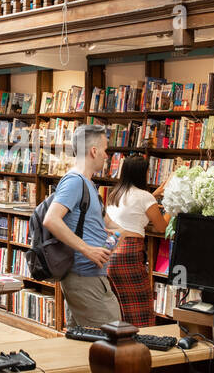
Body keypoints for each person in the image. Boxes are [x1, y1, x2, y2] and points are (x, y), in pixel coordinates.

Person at [43, 124, 122, 328]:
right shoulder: (75, 182)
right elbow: (51, 219)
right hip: (84, 274)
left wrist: (115, 232)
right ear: (93, 151)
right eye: (105, 149)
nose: (107, 156)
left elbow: (102, 223)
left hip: (89, 274)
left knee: (83, 340)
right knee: (112, 335)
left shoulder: (87, 183)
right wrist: (87, 249)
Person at [104, 156, 171, 328]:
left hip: (110, 249)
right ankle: (141, 341)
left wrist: (154, 195)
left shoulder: (114, 194)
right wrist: (172, 205)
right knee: (141, 302)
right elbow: (161, 227)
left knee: (120, 303)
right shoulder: (144, 197)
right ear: (143, 174)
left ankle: (119, 340)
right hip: (129, 252)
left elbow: (133, 209)